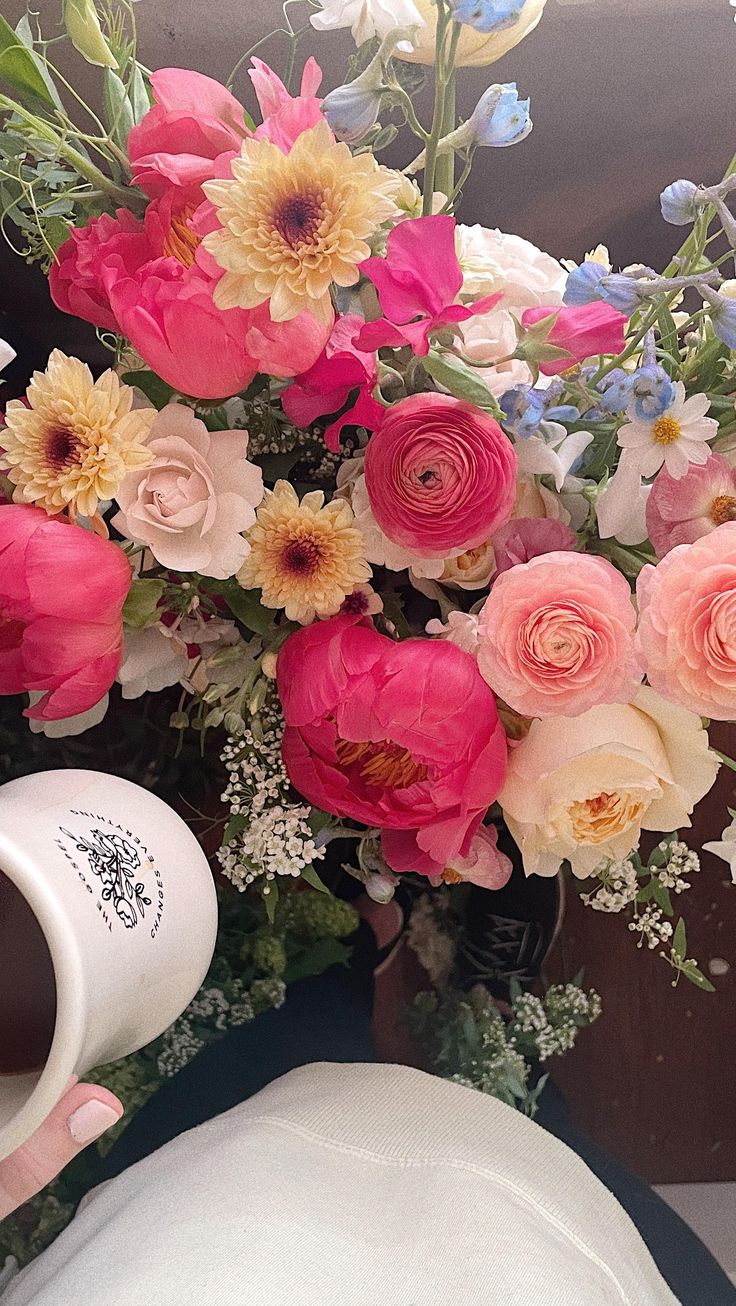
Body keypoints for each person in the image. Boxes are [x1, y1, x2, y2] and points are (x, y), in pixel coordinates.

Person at [1, 919, 734, 1306]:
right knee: (559, 1158)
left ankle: (353, 962)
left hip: (192, 1251)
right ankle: (499, 1008)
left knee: (278, 1076)